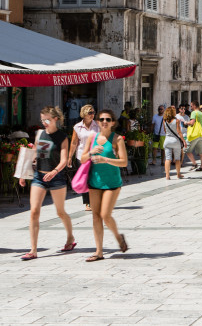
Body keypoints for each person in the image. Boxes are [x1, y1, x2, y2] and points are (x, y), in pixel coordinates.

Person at [19, 106, 75, 260]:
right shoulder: (39, 134)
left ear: (55, 119)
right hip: (39, 177)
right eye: (42, 119)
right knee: (34, 211)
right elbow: (33, 155)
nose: (44, 122)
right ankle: (33, 250)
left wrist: (54, 172)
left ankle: (70, 238)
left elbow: (64, 160)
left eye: (47, 120)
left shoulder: (62, 137)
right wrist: (23, 174)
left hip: (56, 178)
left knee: (60, 212)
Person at [80, 109, 128, 261]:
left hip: (112, 182)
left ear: (113, 122)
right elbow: (82, 159)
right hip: (94, 182)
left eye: (108, 119)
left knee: (105, 215)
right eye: (101, 119)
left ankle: (118, 237)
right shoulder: (92, 138)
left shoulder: (117, 139)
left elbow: (124, 162)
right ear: (98, 122)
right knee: (95, 216)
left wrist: (105, 159)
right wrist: (91, 152)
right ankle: (98, 252)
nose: (104, 122)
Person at [69, 104, 98, 210]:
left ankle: (95, 200)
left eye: (94, 112)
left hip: (95, 156)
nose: (92, 115)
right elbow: (74, 143)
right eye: (90, 113)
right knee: (85, 179)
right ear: (84, 114)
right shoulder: (77, 127)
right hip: (82, 156)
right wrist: (69, 157)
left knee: (94, 178)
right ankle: (87, 202)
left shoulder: (97, 126)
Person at [161, 106, 186, 180]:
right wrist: (184, 141)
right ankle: (178, 174)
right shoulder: (177, 120)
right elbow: (179, 132)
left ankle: (167, 176)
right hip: (175, 141)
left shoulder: (164, 121)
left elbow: (165, 131)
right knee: (177, 158)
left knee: (168, 159)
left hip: (167, 140)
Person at [185, 101, 202, 172]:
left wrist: (186, 122)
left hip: (194, 135)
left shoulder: (194, 113)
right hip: (200, 134)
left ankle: (194, 164)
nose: (190, 107)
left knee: (187, 150)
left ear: (194, 106)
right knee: (201, 152)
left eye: (191, 106)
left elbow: (192, 122)